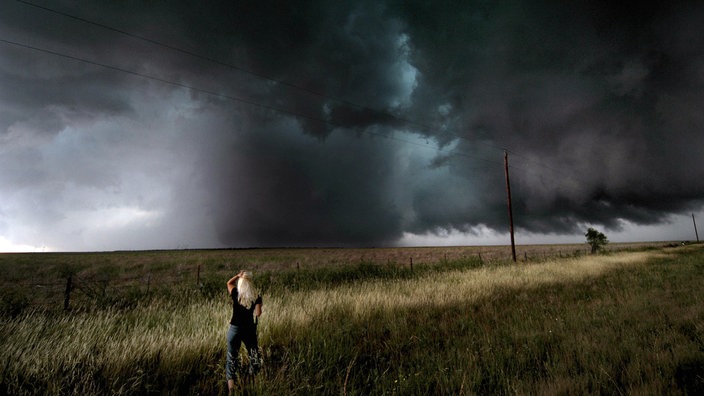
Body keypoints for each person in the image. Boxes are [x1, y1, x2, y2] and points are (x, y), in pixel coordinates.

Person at [226, 270, 262, 391]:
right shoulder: (256, 296)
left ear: (240, 283)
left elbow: (228, 283)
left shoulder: (236, 293)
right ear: (250, 283)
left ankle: (231, 389)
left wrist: (237, 275)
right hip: (248, 329)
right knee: (254, 354)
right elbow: (258, 313)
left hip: (234, 329)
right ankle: (252, 380)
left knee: (231, 358)